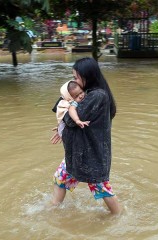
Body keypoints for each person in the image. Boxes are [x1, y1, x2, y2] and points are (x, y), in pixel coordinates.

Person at [50, 57, 121, 215]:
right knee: (60, 178)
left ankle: (119, 217)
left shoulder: (97, 96)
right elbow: (72, 120)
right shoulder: (90, 93)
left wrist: (67, 102)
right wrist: (62, 129)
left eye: (76, 77)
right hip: (79, 152)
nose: (74, 81)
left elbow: (70, 119)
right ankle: (53, 209)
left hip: (91, 155)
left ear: (86, 76)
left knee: (101, 188)